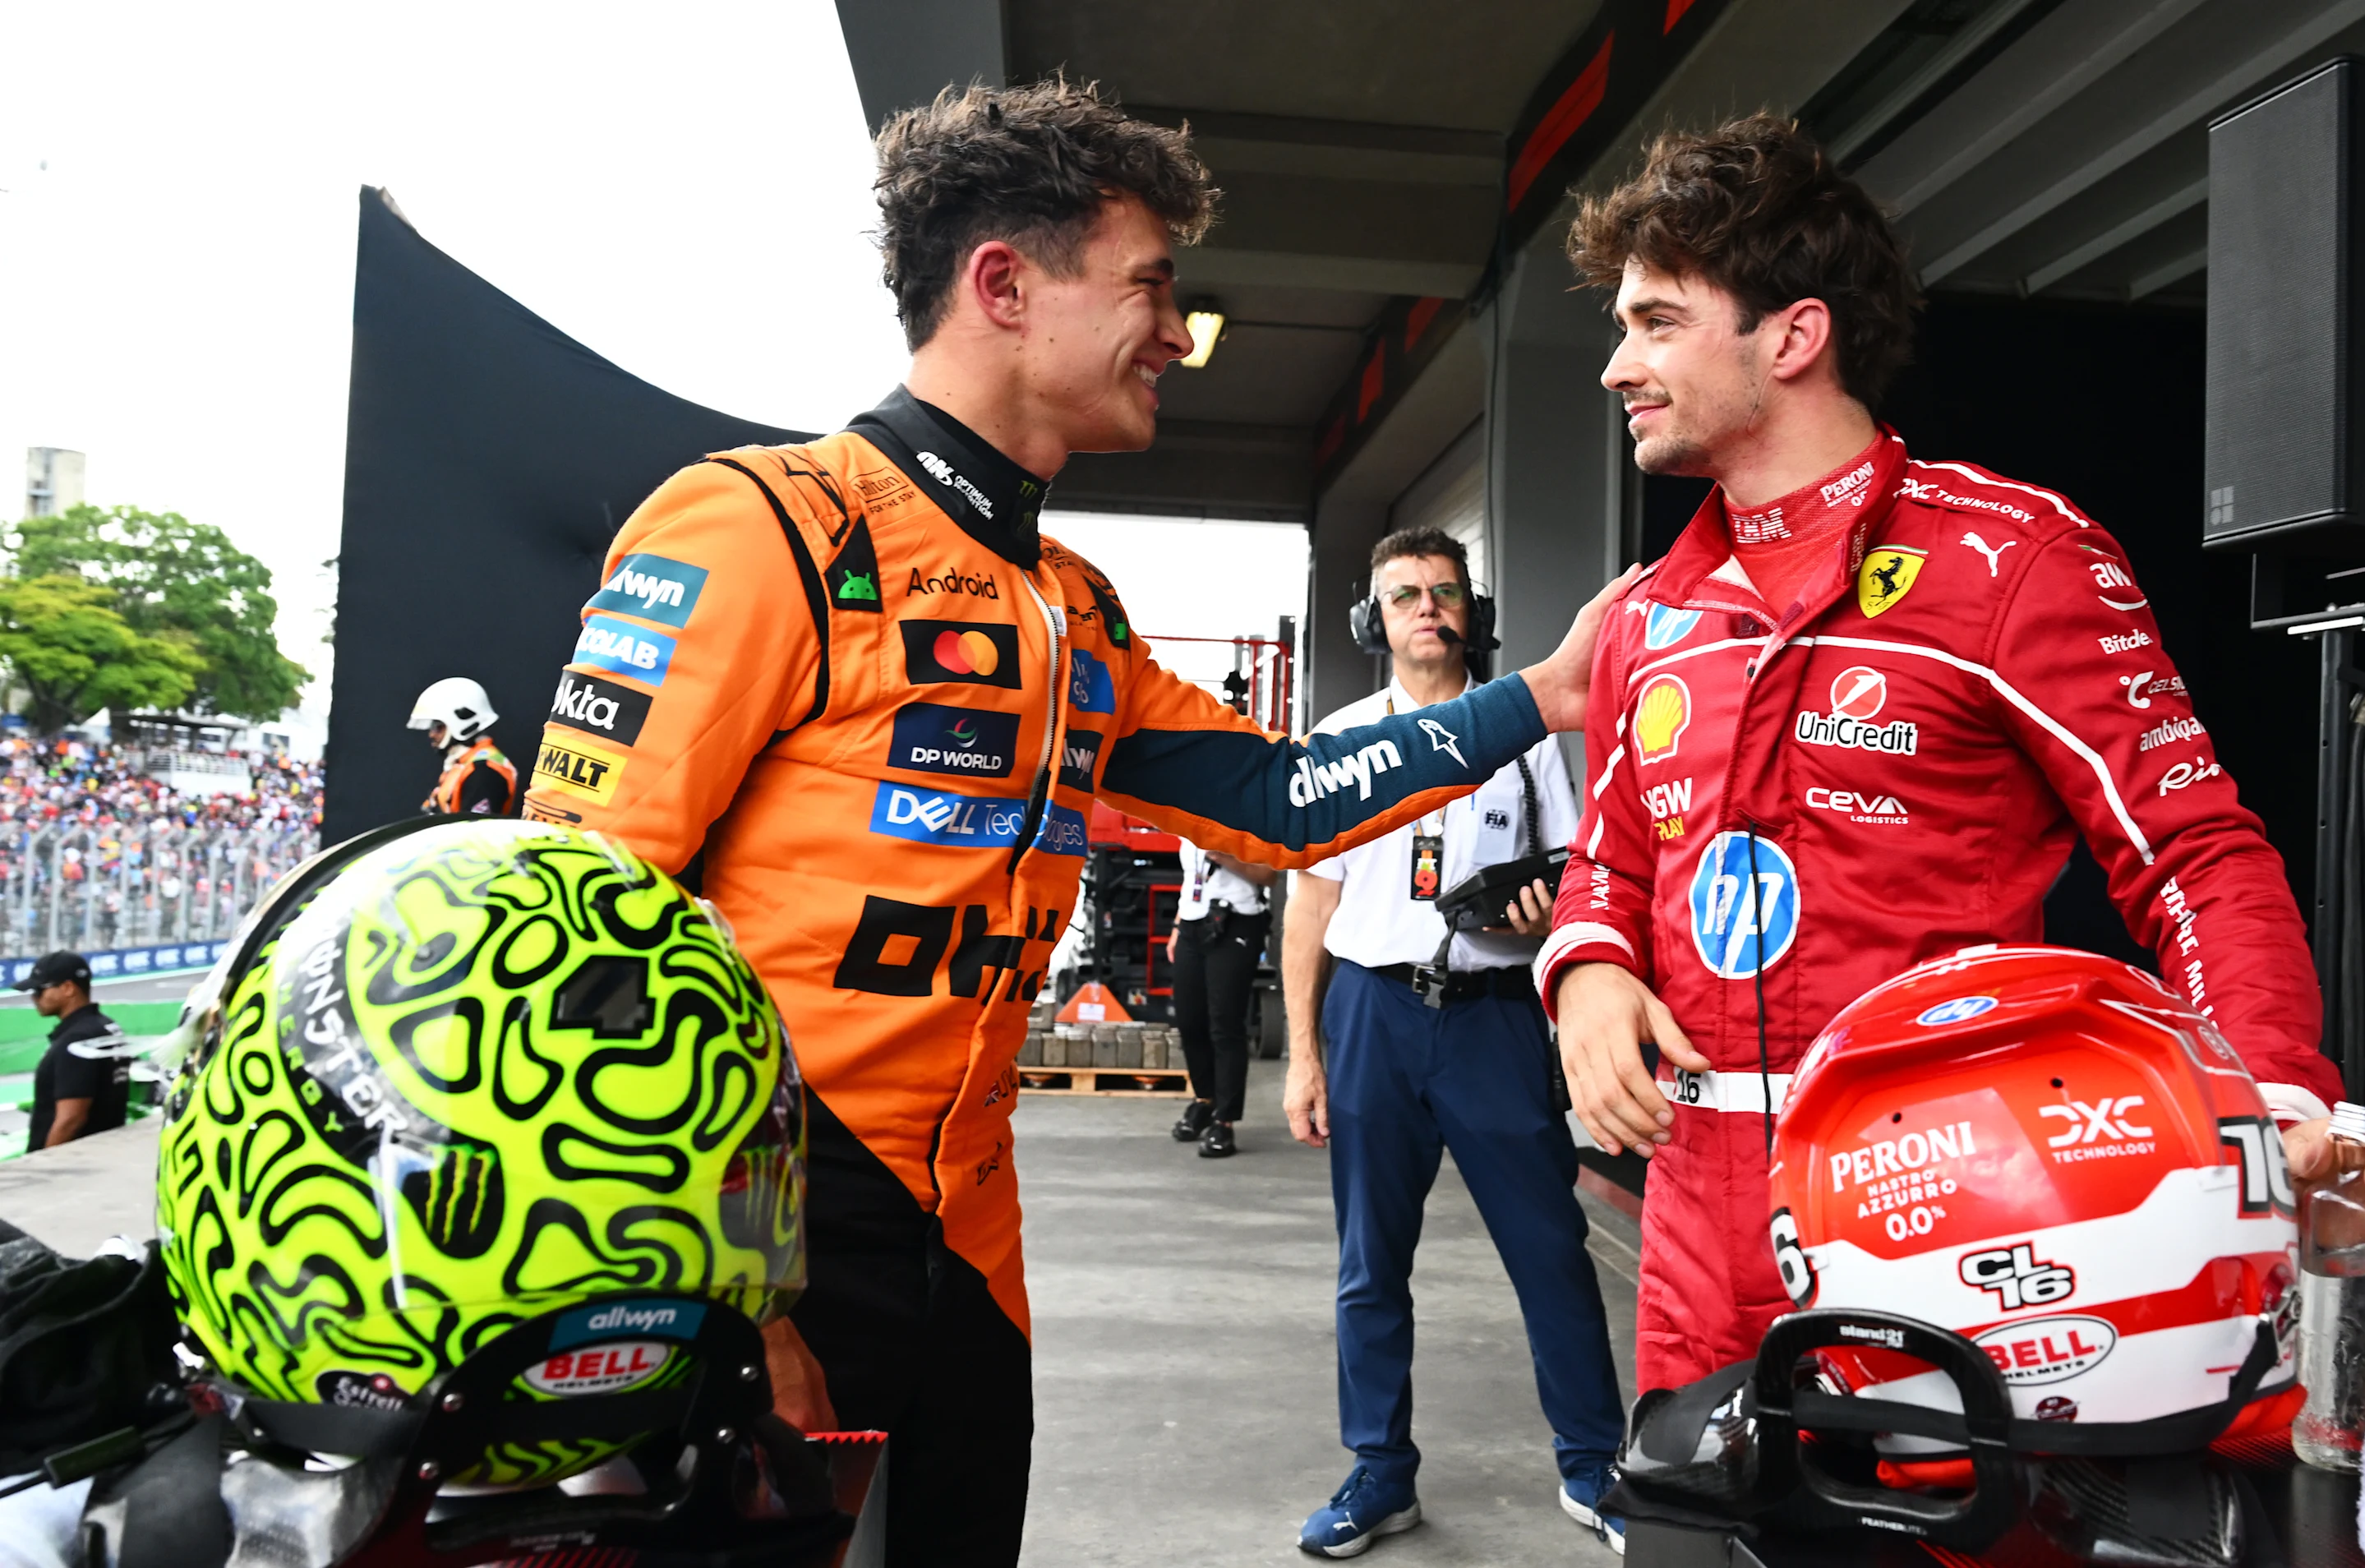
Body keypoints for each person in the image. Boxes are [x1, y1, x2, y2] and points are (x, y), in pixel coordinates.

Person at [519, 81, 1623, 1568]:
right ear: (1003, 286)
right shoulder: (761, 522)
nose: (1176, 331)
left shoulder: (1075, 607)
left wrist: (1538, 697)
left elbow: (1279, 798)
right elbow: (570, 935)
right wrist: (714, 1292)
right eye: (1152, 286)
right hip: (768, 1220)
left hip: (972, 1232)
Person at [1540, 115, 2365, 1398]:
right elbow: (1613, 855)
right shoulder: (1645, 616)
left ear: (1793, 337)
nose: (1618, 363)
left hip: (1952, 1222)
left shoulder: (2013, 558)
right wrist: (1585, 970)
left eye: (1657, 322)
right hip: (1697, 1231)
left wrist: (2275, 1111)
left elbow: (2194, 855)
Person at [1281, 527, 1626, 1558]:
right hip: (1373, 1018)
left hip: (1493, 1019)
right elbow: (1309, 902)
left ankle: (1591, 1464)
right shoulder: (1339, 740)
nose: (1425, 609)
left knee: (1549, 1253)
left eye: (1441, 592)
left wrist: (1536, 918)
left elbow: (1573, 877)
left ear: (1468, 612)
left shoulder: (1521, 740)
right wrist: (1304, 1052)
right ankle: (1379, 1474)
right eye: (1402, 597)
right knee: (1367, 1267)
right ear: (1372, 621)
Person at [1168, 835, 1275, 1156]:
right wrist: (1177, 928)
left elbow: (1269, 875)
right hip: (1192, 923)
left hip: (1238, 922)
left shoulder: (1246, 818)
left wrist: (1225, 856)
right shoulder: (1186, 823)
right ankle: (1204, 1099)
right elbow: (1192, 880)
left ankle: (1224, 1120)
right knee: (1189, 1020)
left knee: (1224, 1023)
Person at [17, 951, 124, 1152]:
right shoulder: (106, 1027)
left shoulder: (77, 1040)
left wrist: (45, 1164)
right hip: (103, 1153)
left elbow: (71, 1119)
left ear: (67, 988)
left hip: (74, 1165)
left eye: (40, 990)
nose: (34, 998)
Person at [408, 676, 519, 817]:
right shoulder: (462, 763)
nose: (431, 734)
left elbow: (474, 832)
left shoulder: (483, 772)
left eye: (438, 727)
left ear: (461, 721)